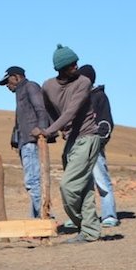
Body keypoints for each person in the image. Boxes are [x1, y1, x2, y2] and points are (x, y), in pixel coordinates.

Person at [31, 45, 101, 243]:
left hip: (88, 137)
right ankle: (90, 232)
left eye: (76, 63)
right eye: (71, 64)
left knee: (68, 186)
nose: (76, 66)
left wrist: (49, 130)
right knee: (84, 188)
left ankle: (83, 225)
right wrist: (57, 127)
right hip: (71, 139)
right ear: (60, 68)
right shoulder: (48, 86)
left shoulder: (83, 82)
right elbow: (49, 108)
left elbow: (71, 111)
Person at [0, 66, 51, 218]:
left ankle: (43, 217)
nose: (7, 86)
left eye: (8, 81)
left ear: (16, 77)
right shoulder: (20, 92)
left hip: (31, 141)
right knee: (33, 180)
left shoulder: (30, 86)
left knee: (32, 181)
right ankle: (36, 217)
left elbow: (41, 109)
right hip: (25, 141)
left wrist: (41, 131)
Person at [77, 64, 119, 227]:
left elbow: (106, 123)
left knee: (101, 180)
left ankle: (109, 215)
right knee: (80, 184)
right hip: (79, 146)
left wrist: (98, 141)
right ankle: (84, 218)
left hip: (94, 145)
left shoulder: (99, 97)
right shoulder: (78, 98)